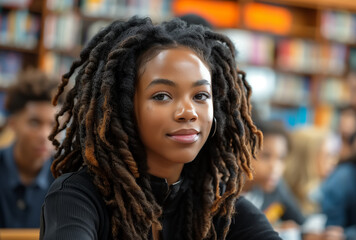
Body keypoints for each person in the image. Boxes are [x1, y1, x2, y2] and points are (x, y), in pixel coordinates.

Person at [40, 16, 281, 240]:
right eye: (162, 96)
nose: (188, 112)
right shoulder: (76, 196)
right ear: (121, 108)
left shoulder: (220, 205)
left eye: (200, 96)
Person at [0, 69, 58, 228]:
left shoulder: (67, 178)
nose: (46, 135)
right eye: (34, 122)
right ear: (12, 123)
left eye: (54, 125)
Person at [242, 120, 305, 228]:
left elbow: (301, 221)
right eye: (265, 156)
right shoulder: (223, 194)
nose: (275, 167)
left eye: (281, 158)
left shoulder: (275, 186)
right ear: (242, 154)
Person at [284, 126, 339, 216]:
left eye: (334, 155)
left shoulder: (321, 191)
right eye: (327, 155)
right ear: (308, 158)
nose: (334, 161)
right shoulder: (280, 191)